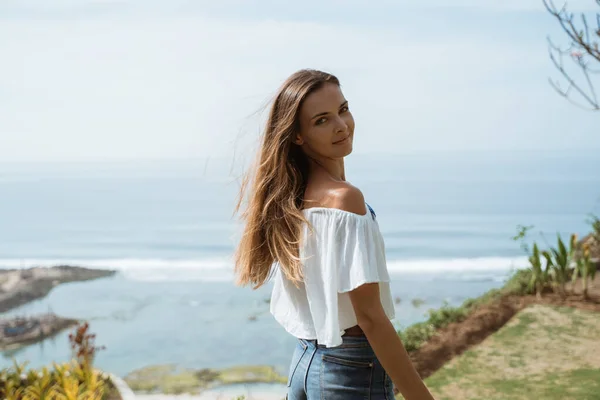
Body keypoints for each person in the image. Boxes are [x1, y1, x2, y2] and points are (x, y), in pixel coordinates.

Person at [234, 69, 436, 400]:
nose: (341, 125)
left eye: (343, 109)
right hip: (351, 372)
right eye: (322, 120)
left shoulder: (291, 198)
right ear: (298, 135)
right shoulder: (344, 200)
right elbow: (370, 318)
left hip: (305, 363)